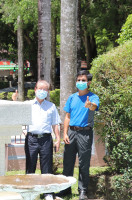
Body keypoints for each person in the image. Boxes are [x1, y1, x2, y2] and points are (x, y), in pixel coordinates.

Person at [12, 80, 61, 200]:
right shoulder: (28, 104)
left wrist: (58, 139)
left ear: (48, 92)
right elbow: (17, 112)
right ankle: (30, 191)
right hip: (31, 139)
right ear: (35, 89)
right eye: (40, 89)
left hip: (46, 139)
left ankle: (47, 192)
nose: (42, 91)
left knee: (47, 167)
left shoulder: (51, 106)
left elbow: (55, 124)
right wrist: (14, 100)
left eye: (45, 89)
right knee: (30, 166)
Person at [56, 70, 99, 200]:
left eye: (83, 80)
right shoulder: (72, 97)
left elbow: (94, 107)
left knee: (84, 163)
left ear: (88, 82)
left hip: (85, 133)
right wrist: (65, 133)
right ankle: (65, 189)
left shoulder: (93, 97)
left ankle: (83, 191)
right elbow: (67, 116)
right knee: (68, 162)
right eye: (78, 80)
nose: (80, 82)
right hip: (71, 133)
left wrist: (89, 105)